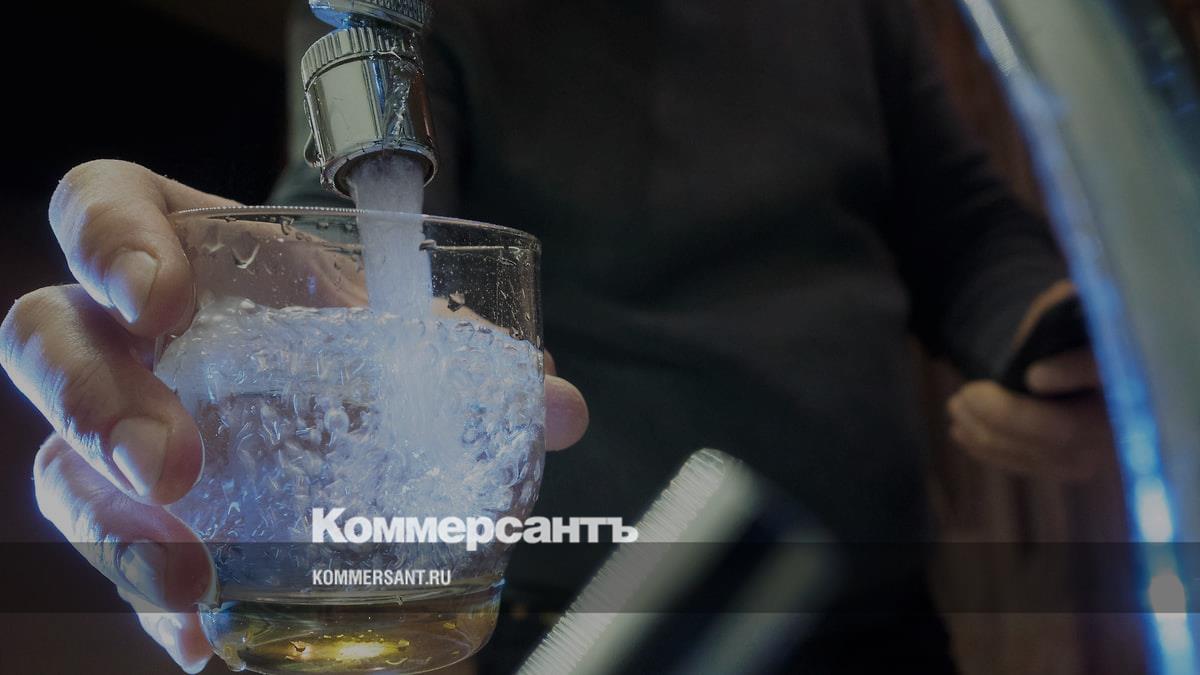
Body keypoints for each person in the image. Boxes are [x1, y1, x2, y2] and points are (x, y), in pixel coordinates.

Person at [0, 0, 1114, 672]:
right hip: (596, 623)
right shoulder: (421, 18)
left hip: (878, 609)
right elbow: (344, 250)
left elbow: (963, 223)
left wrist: (1052, 341)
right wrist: (231, 328)